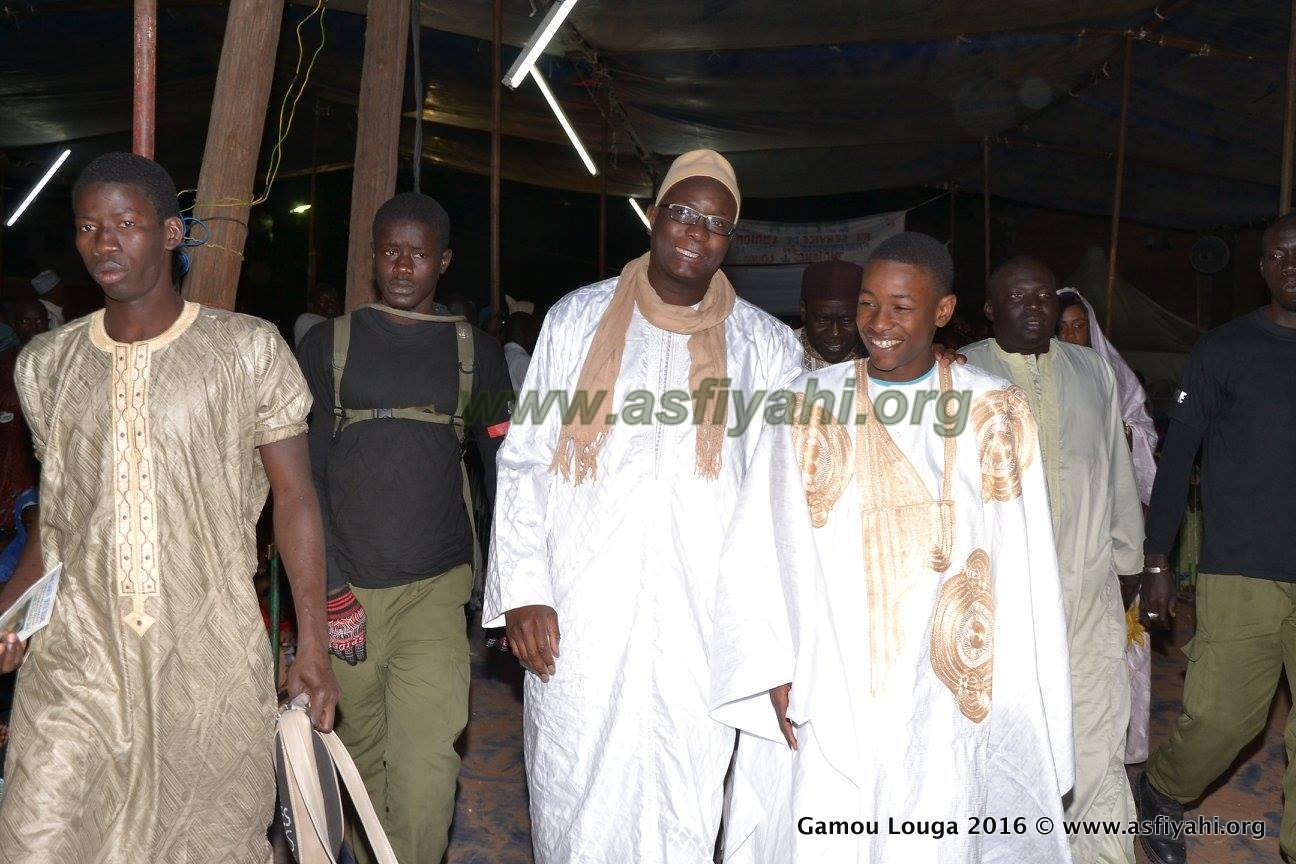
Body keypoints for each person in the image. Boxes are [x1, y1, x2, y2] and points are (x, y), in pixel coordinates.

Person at [0, 151, 339, 862]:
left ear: (170, 234)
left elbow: (296, 497)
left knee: (203, 843)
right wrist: (11, 613)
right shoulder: (46, 364)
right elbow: (60, 518)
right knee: (38, 832)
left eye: (125, 223)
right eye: (89, 226)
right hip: (78, 656)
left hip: (205, 655)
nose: (104, 242)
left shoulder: (245, 351)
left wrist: (311, 641)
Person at [483, 149, 803, 862]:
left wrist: (774, 635)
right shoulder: (577, 319)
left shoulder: (764, 347)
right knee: (577, 790)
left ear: (731, 240)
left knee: (687, 797)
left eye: (716, 222)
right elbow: (529, 458)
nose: (696, 232)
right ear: (654, 215)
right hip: (581, 607)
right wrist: (525, 592)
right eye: (683, 213)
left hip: (706, 617)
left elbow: (784, 494)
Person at [712, 232, 1073, 862]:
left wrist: (1016, 685)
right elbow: (760, 546)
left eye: (901, 308)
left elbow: (1026, 563)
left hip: (944, 687)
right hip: (831, 676)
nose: (878, 324)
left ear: (942, 311)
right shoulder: (806, 405)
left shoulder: (995, 410)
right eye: (868, 304)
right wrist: (770, 662)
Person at [298, 192, 512, 864]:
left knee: (425, 769)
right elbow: (304, 481)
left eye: (419, 253)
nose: (402, 263)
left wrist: (511, 587)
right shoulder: (327, 345)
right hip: (348, 592)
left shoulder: (474, 353)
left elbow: (504, 468)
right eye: (390, 249)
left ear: (442, 262)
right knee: (358, 768)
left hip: (436, 591)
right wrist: (330, 595)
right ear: (372, 255)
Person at [962, 257, 1143, 864]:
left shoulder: (1092, 370)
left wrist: (1129, 556)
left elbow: (1116, 467)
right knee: (1011, 739)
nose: (1034, 307)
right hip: (1003, 599)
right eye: (1017, 297)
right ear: (990, 310)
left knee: (1097, 730)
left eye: (1043, 295)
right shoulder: (964, 373)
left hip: (1088, 587)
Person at [1135, 213, 1296, 864]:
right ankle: (1163, 790)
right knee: (1226, 719)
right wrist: (1156, 559)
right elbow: (1178, 461)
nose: (1293, 265)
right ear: (1262, 268)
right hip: (1243, 569)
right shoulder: (1223, 351)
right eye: (1280, 255)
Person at [1057, 288, 1158, 505]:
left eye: (1078, 326)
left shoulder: (1112, 374)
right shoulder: (1040, 375)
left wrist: (1121, 429)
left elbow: (1143, 430)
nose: (1070, 335)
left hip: (1102, 485)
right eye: (1061, 327)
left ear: (1090, 329)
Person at [795, 259, 865, 370]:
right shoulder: (780, 354)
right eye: (822, 320)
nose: (835, 333)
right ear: (804, 311)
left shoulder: (879, 355)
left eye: (846, 320)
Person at [503, 311, 541, 391]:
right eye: (535, 332)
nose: (537, 337)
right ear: (526, 333)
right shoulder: (523, 360)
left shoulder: (501, 357)